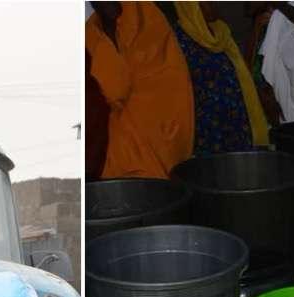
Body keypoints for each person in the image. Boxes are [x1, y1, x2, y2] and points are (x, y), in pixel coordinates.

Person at [85, 1, 194, 178]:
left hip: (137, 159)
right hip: (171, 142)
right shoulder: (150, 15)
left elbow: (115, 90)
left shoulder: (114, 23)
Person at [169, 1, 270, 154]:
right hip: (204, 132)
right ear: (191, 6)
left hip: (236, 126)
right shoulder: (177, 42)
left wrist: (256, 30)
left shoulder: (221, 32)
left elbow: (245, 71)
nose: (215, 4)